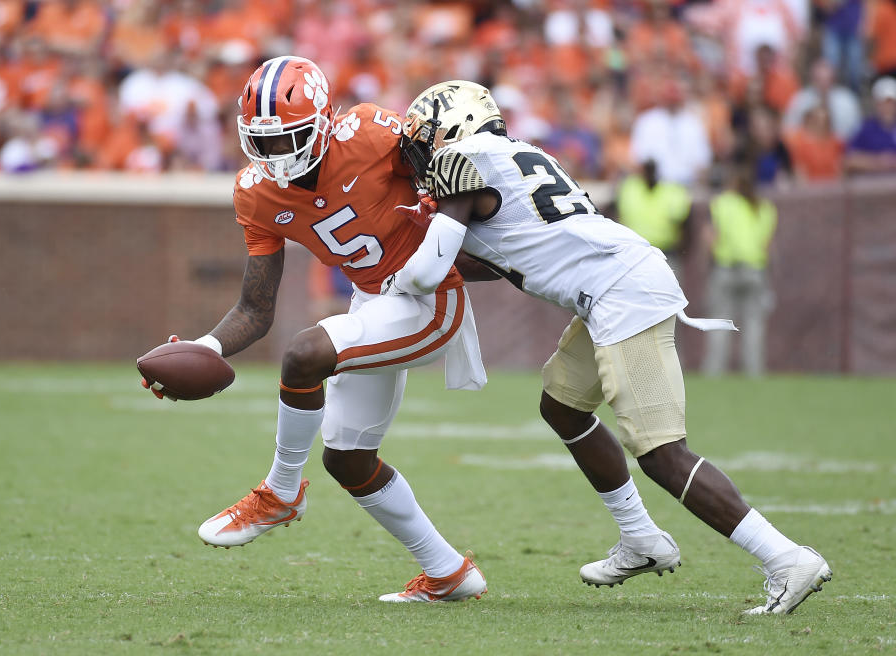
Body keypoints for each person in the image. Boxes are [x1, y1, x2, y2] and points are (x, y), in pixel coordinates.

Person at [389, 80, 831, 615]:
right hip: (614, 287)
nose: (418, 154)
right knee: (562, 403)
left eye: (423, 138)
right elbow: (502, 259)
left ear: (453, 127)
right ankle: (640, 537)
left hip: (622, 293)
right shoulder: (517, 153)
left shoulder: (464, 158)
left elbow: (431, 270)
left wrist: (389, 273)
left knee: (662, 451)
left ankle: (784, 558)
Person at [140, 57, 488, 603]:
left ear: (325, 121)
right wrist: (204, 348)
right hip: (375, 302)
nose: (276, 155)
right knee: (347, 458)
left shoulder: (374, 132)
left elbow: (460, 180)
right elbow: (255, 309)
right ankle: (449, 573)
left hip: (430, 297)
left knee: (305, 355)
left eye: (289, 139)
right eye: (263, 142)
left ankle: (279, 492)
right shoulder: (257, 194)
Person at [701, 163, 778, 377]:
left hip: (726, 268)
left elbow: (709, 237)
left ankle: (715, 373)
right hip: (755, 270)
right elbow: (768, 245)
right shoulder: (765, 207)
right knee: (754, 326)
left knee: (719, 321)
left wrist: (707, 264)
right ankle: (754, 373)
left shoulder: (722, 204)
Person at [845, 76, 896, 175]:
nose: (887, 107)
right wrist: (877, 162)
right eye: (883, 103)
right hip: (873, 186)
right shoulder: (866, 128)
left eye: (890, 103)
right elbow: (849, 160)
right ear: (876, 104)